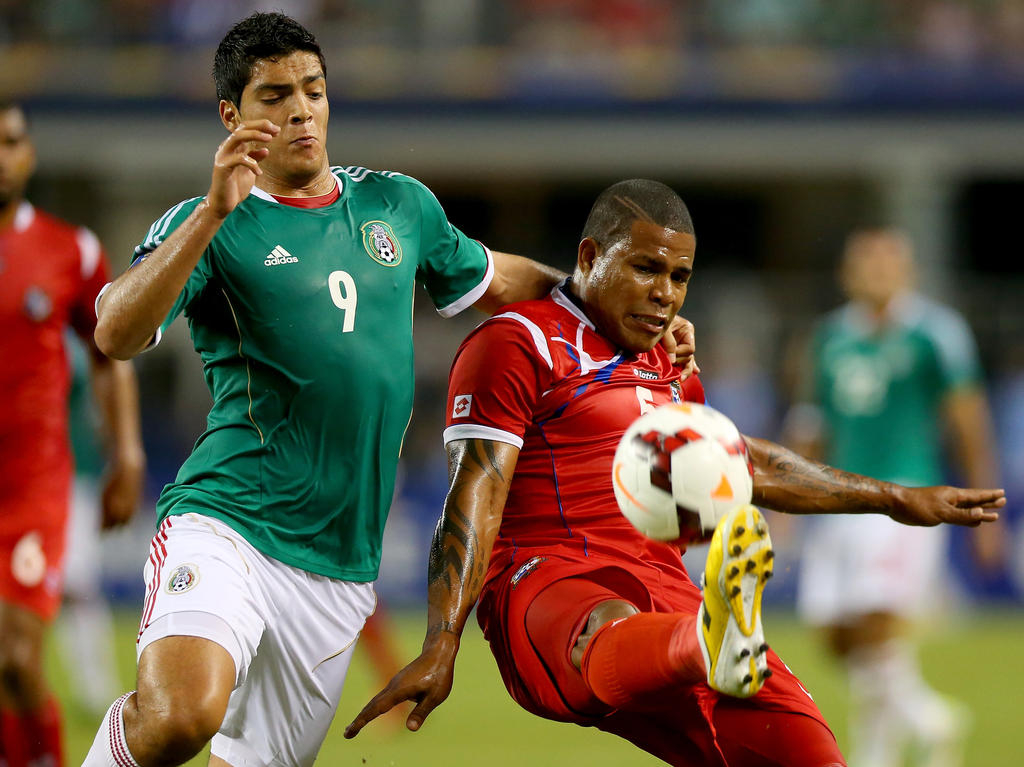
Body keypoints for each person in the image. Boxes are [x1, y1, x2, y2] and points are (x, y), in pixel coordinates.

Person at [80, 11, 650, 767]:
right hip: (231, 525)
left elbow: (500, 278)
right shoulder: (209, 222)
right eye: (275, 95)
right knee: (183, 715)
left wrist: (610, 311)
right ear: (231, 116)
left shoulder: (396, 205)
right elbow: (114, 331)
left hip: (338, 566)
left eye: (312, 89)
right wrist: (215, 210)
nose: (300, 110)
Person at [343, 180, 1004, 766]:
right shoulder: (518, 343)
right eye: (645, 267)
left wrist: (896, 497)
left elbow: (741, 461)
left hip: (672, 591)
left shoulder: (672, 363)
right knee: (606, 621)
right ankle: (704, 642)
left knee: (804, 747)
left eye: (679, 276)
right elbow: (474, 492)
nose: (664, 293)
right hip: (546, 586)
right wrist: (442, 637)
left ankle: (709, 639)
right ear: (587, 257)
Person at [782, 227, 1003, 767]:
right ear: (847, 273)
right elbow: (810, 424)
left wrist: (988, 512)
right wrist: (784, 503)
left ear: (908, 272)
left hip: (903, 502)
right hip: (839, 501)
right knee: (836, 636)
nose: (878, 271)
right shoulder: (828, 337)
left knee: (877, 626)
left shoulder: (937, 333)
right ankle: (930, 717)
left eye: (889, 261)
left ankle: (875, 755)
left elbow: (967, 420)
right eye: (867, 262)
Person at [0, 101, 145, 767]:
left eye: (11, 141)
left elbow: (109, 348)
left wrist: (128, 452)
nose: (2, 154)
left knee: (17, 659)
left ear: (29, 155)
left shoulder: (70, 250)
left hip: (31, 491)